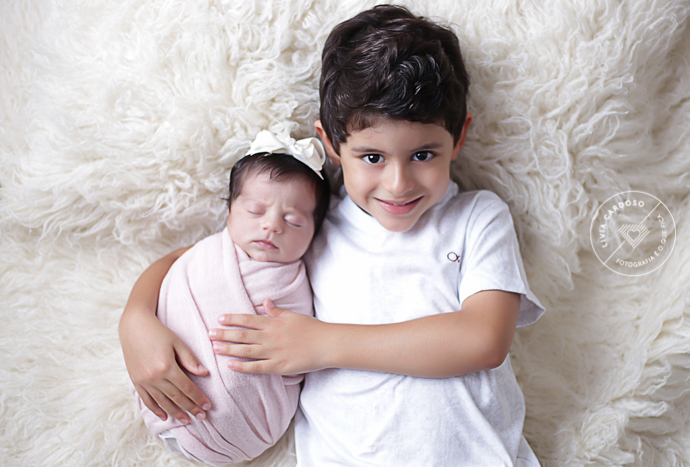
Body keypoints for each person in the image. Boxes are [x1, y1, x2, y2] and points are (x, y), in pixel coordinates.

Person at [120, 5, 546, 466]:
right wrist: (135, 320)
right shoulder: (310, 225)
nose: (398, 183)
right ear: (332, 145)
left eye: (423, 155)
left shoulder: (477, 217)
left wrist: (319, 344)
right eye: (372, 157)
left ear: (459, 138)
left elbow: (483, 339)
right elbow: (189, 257)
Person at [127, 130, 331, 465]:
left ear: (314, 233)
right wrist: (135, 317)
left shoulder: (295, 283)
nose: (272, 226)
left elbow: (299, 355)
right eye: (255, 210)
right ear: (230, 211)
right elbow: (172, 271)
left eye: (293, 220)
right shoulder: (207, 253)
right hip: (162, 394)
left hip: (250, 427)